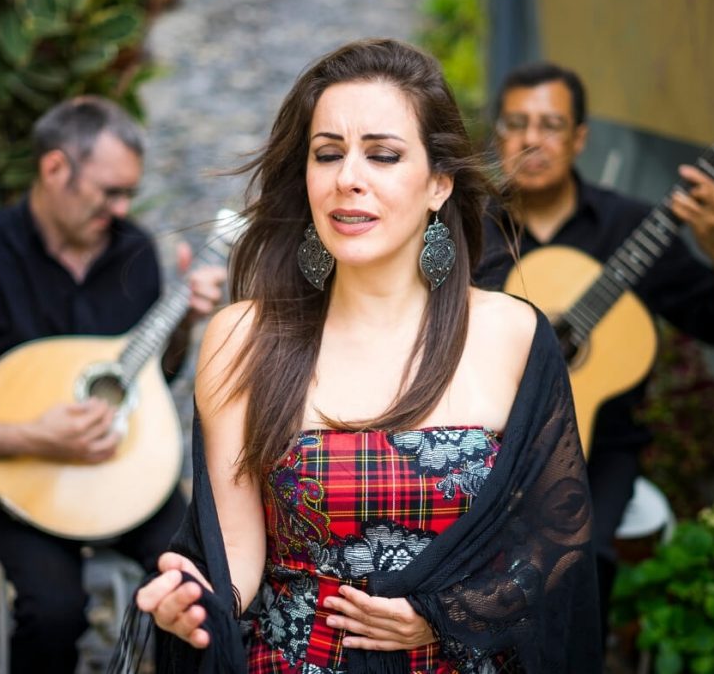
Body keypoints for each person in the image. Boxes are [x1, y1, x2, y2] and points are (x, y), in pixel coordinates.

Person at [132, 39, 601, 674]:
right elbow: (237, 558)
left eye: (382, 155)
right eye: (328, 154)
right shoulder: (242, 337)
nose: (348, 177)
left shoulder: (510, 334)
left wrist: (444, 614)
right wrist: (191, 604)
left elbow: (555, 546)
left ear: (438, 183)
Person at [0, 96, 227, 673]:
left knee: (199, 579)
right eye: (108, 192)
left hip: (126, 475)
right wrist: (31, 436)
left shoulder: (133, 249)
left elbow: (148, 373)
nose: (121, 209)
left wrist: (183, 320)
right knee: (53, 611)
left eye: (129, 194)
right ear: (53, 169)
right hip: (26, 486)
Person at [473, 62, 714, 646]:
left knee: (579, 576)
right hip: (481, 444)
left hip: (595, 453)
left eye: (552, 124)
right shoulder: (466, 232)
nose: (533, 138)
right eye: (517, 122)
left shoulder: (632, 230)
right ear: (498, 135)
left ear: (580, 137)